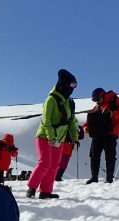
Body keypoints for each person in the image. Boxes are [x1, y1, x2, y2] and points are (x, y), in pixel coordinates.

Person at [26, 69, 79, 199]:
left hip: (59, 139)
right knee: (44, 163)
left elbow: (72, 121)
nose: (72, 88)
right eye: (71, 85)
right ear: (63, 84)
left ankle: (45, 192)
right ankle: (31, 188)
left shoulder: (70, 103)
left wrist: (74, 137)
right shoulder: (51, 99)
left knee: (55, 165)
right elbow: (46, 120)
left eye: (74, 85)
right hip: (45, 136)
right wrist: (50, 136)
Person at [83, 88, 119, 184]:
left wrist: (113, 114)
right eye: (95, 100)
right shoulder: (97, 107)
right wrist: (86, 127)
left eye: (97, 99)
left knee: (110, 156)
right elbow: (89, 120)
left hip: (111, 133)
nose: (96, 101)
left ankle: (109, 178)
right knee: (94, 155)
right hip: (97, 134)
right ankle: (94, 177)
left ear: (103, 95)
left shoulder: (115, 100)